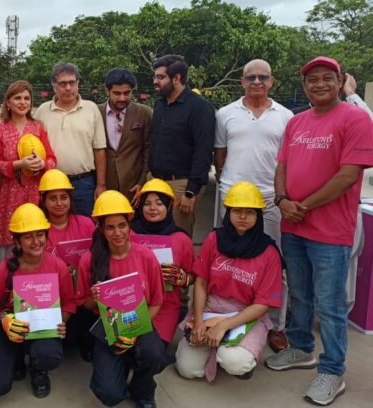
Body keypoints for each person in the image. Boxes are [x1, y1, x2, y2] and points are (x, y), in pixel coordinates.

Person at [265, 56, 373, 406]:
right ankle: (301, 349)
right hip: (293, 224)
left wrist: (303, 206)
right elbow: (281, 165)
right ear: (305, 85)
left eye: (328, 78)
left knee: (330, 305)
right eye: (313, 79)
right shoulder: (296, 122)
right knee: (299, 294)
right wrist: (282, 200)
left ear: (341, 82)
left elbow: (348, 175)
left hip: (330, 230)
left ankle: (332, 370)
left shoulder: (355, 119)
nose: (320, 84)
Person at [214, 59, 293, 353]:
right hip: (232, 197)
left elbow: (287, 161)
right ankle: (226, 315)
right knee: (228, 259)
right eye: (251, 77)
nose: (257, 82)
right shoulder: (225, 114)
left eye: (263, 77)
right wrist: (226, 185)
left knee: (275, 262)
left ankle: (275, 324)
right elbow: (219, 155)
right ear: (242, 82)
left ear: (272, 81)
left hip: (270, 198)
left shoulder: (285, 116)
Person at [176, 181, 283, 382]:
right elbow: (201, 281)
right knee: (186, 369)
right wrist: (199, 321)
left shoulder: (269, 253)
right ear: (228, 211)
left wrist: (224, 326)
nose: (242, 217)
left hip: (245, 314)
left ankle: (232, 354)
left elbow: (263, 304)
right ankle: (215, 348)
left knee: (235, 361)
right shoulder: (214, 239)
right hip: (211, 308)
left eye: (249, 212)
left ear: (258, 215)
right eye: (237, 210)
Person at [76, 190, 172, 408]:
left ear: (130, 224)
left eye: (122, 225)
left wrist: (136, 330)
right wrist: (94, 297)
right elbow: (85, 304)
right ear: (100, 228)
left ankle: (143, 389)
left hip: (141, 322)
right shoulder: (89, 260)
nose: (117, 232)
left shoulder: (146, 256)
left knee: (154, 354)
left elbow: (156, 302)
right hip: (108, 329)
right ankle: (121, 365)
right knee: (110, 395)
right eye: (110, 227)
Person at [0, 203, 76, 398]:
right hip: (7, 324)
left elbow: (68, 303)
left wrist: (61, 322)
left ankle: (38, 369)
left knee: (49, 354)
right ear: (16, 241)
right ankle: (15, 357)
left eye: (40, 234)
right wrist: (5, 319)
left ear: (46, 236)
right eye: (27, 236)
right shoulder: (4, 269)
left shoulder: (58, 267)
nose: (35, 241)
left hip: (42, 326)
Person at [149, 54, 215, 237]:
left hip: (182, 184)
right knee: (155, 238)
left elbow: (203, 151)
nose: (155, 81)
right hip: (155, 181)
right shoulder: (160, 104)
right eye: (155, 77)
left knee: (178, 238)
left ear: (176, 78)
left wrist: (191, 191)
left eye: (160, 77)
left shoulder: (199, 107)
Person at [0, 80, 56, 262]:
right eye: (17, 98)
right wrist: (18, 165)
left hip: (34, 192)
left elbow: (51, 158)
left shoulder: (37, 127)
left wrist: (42, 165)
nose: (22, 102)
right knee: (9, 241)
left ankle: (33, 287)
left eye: (27, 98)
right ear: (8, 102)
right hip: (8, 194)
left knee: (34, 236)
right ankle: (7, 287)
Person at [35, 61, 107, 217]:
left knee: (87, 229)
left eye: (72, 83)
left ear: (78, 84)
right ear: (54, 86)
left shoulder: (91, 109)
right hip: (51, 183)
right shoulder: (42, 111)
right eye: (62, 83)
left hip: (84, 183)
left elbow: (99, 149)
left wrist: (101, 185)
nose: (68, 87)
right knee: (53, 230)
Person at [38, 169, 96, 360]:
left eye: (64, 197)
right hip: (54, 298)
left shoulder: (86, 224)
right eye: (53, 198)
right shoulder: (38, 231)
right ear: (43, 201)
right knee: (66, 341)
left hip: (84, 295)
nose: (59, 203)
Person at [130, 179, 194, 345]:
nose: (152, 208)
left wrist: (183, 278)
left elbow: (193, 274)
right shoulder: (128, 233)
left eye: (159, 203)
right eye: (147, 203)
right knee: (126, 348)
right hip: (131, 302)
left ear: (169, 206)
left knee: (152, 350)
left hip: (166, 304)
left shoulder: (181, 238)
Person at [98, 68, 152, 203]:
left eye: (127, 93)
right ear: (107, 91)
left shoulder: (144, 113)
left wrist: (142, 182)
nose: (122, 98)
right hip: (104, 187)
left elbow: (149, 150)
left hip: (133, 187)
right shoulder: (95, 112)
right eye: (117, 93)